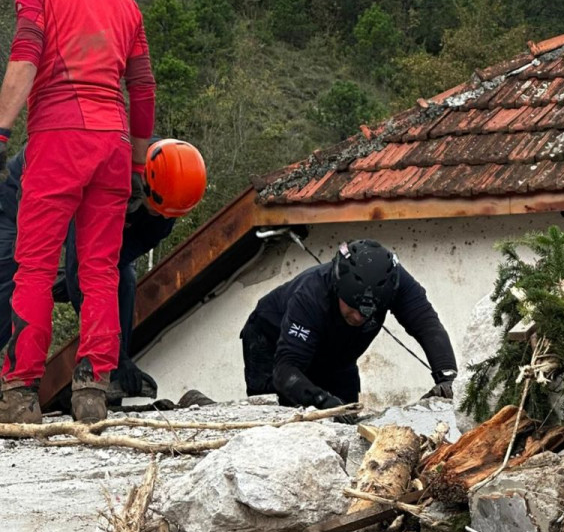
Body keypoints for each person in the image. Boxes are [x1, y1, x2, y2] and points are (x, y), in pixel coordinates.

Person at [0, 0, 156, 425]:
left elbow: (26, 56)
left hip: (59, 135)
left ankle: (19, 392)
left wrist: (2, 130)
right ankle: (92, 391)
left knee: (35, 265)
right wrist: (137, 163)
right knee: (101, 269)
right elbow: (142, 87)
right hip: (113, 140)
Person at [0, 138, 205, 402]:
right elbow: (80, 269)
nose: (163, 218)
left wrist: (117, 355)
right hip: (28, 190)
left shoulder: (170, 196)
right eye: (158, 211)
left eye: (167, 214)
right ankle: (18, 387)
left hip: (93, 194)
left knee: (122, 278)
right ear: (144, 184)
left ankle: (108, 376)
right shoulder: (110, 175)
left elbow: (112, 266)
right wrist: (71, 283)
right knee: (13, 282)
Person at [240, 239, 458, 419]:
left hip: (336, 355)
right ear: (337, 289)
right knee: (281, 416)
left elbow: (427, 325)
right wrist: (321, 401)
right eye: (353, 308)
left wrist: (447, 377)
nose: (358, 317)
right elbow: (285, 370)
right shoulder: (311, 294)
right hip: (271, 341)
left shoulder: (398, 283)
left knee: (348, 417)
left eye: (369, 313)